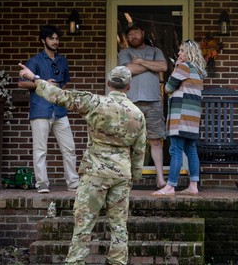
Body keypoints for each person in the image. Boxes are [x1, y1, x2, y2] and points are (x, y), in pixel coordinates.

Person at [18, 64, 146, 265]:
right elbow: (140, 150)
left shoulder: (95, 102)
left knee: (83, 225)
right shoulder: (137, 114)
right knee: (119, 227)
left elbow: (59, 96)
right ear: (129, 87)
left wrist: (34, 78)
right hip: (122, 174)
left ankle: (76, 262)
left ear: (108, 83)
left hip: (95, 173)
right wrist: (135, 175)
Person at [18, 25, 79, 194]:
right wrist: (43, 84)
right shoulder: (34, 61)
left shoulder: (63, 60)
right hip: (40, 109)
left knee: (69, 147)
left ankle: (73, 183)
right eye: (52, 38)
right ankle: (42, 183)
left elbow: (64, 83)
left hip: (59, 110)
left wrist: (56, 90)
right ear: (43, 40)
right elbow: (22, 82)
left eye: (57, 38)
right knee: (40, 149)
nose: (55, 41)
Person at [117, 23, 168, 188]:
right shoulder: (124, 52)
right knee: (129, 142)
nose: (133, 36)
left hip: (154, 102)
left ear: (142, 33)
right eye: (130, 34)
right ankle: (128, 180)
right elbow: (128, 69)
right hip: (131, 102)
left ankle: (160, 179)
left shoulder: (155, 51)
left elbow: (163, 66)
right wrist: (148, 65)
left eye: (136, 32)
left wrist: (140, 62)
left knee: (155, 140)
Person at [153, 40, 206, 196]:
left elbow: (168, 88)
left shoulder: (184, 67)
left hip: (181, 116)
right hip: (193, 118)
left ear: (188, 53)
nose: (179, 54)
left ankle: (170, 186)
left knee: (175, 150)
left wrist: (176, 66)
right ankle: (193, 185)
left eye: (182, 51)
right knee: (191, 149)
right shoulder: (198, 70)